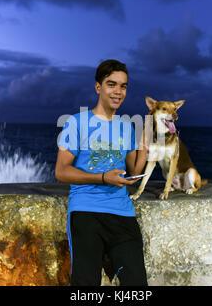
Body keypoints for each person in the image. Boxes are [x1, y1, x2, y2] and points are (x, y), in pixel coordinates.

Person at [55, 59, 148, 286]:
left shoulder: (126, 126)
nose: (118, 91)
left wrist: (145, 140)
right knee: (86, 287)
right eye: (112, 84)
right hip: (86, 212)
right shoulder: (76, 123)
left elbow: (133, 171)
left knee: (137, 285)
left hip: (122, 213)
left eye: (123, 86)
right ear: (99, 87)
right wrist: (103, 178)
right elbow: (61, 171)